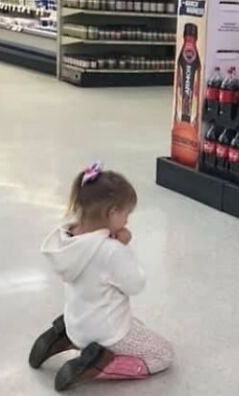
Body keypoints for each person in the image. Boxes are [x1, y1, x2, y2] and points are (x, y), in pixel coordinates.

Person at [29, 162, 173, 392]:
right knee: (163, 354)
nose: (127, 220)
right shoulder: (110, 251)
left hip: (76, 322)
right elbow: (136, 284)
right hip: (106, 332)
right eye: (126, 213)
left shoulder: (69, 237)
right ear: (112, 213)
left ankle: (65, 335)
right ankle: (97, 363)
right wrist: (123, 247)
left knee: (138, 324)